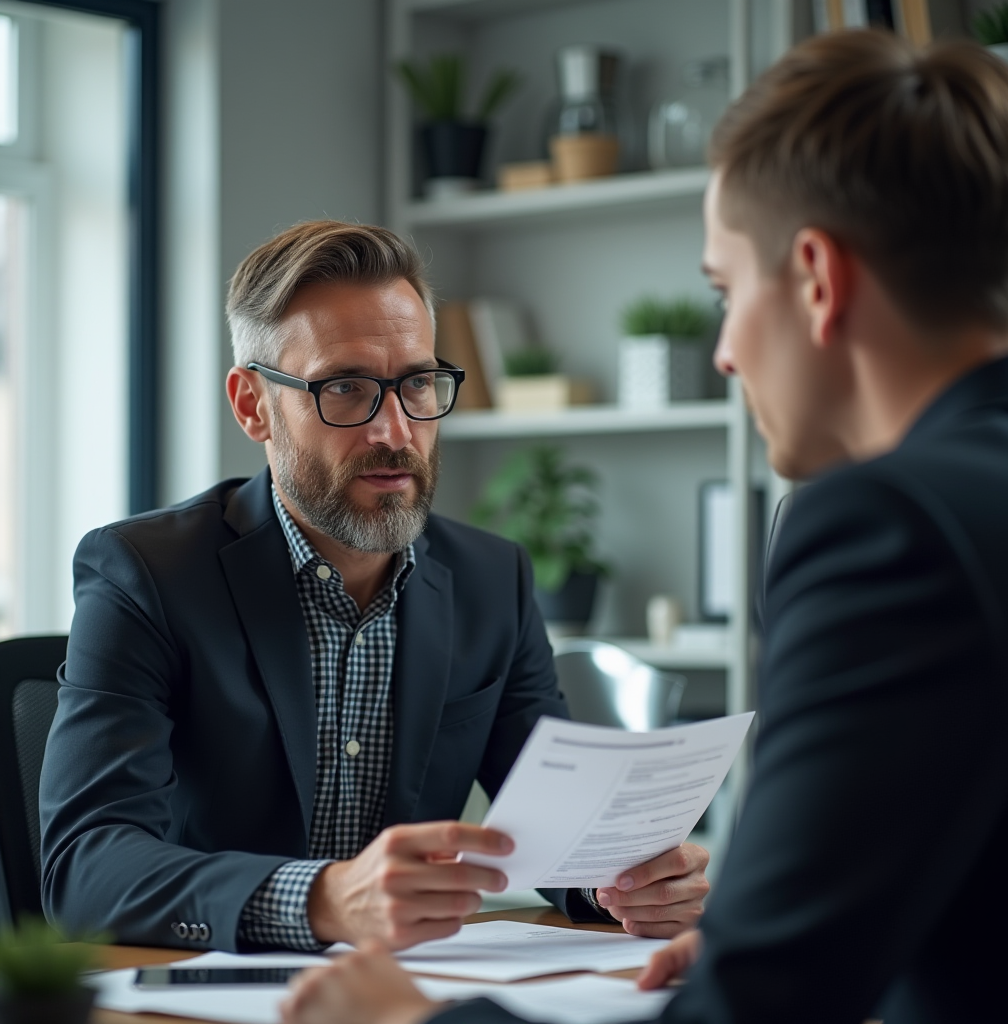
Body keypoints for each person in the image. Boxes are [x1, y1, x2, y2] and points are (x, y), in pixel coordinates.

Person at [277, 29, 1008, 1024]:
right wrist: (764, 942)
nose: (720, 354)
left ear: (815, 278)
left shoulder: (885, 526)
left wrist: (403, 1021)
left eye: (723, 292)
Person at [38, 221, 710, 953]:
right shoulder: (145, 574)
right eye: (347, 388)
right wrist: (323, 899)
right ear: (252, 405)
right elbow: (85, 867)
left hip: (410, 994)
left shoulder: (493, 580)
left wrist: (622, 880)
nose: (395, 430)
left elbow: (559, 832)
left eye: (417, 383)